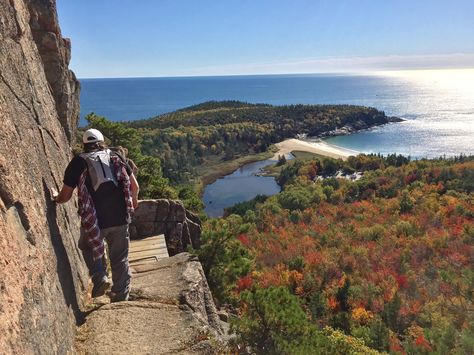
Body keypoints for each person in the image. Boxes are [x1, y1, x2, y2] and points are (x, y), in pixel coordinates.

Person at [52, 128, 139, 302]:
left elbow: (66, 195)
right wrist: (132, 205)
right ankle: (121, 295)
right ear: (101, 142)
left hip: (95, 220)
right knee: (120, 257)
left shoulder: (78, 162)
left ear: (84, 145)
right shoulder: (116, 157)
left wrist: (56, 198)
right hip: (120, 217)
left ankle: (100, 277)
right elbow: (134, 187)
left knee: (87, 246)